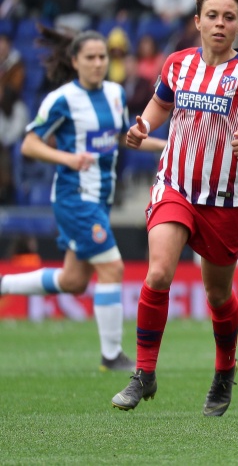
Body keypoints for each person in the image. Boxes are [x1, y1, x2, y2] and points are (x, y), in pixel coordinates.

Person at [110, 0, 238, 416]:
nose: (219, 23)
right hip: (175, 185)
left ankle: (225, 368)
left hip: (226, 200)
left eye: (228, 17)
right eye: (211, 15)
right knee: (158, 274)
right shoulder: (177, 63)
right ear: (197, 20)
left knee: (217, 295)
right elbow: (161, 102)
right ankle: (143, 373)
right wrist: (143, 124)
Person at [0, 27, 166, 371]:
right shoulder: (62, 99)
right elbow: (30, 143)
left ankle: (4, 284)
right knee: (113, 267)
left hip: (101, 197)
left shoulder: (116, 94)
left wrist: (169, 146)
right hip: (74, 197)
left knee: (73, 280)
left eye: (102, 57)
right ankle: (111, 356)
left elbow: (123, 138)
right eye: (89, 57)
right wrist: (68, 159)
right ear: (74, 61)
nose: (97, 63)